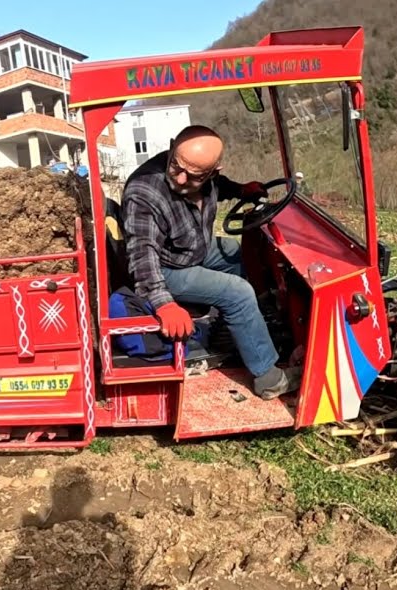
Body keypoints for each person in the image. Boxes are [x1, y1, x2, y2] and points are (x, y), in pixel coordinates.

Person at [120, 125, 300, 399]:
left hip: (194, 248)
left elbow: (218, 186)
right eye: (175, 167)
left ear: (212, 172)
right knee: (237, 293)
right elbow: (141, 253)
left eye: (193, 176)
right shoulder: (143, 191)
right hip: (167, 267)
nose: (180, 179)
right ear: (172, 148)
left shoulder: (207, 178)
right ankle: (268, 377)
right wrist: (164, 303)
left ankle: (257, 326)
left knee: (242, 255)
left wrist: (241, 190)